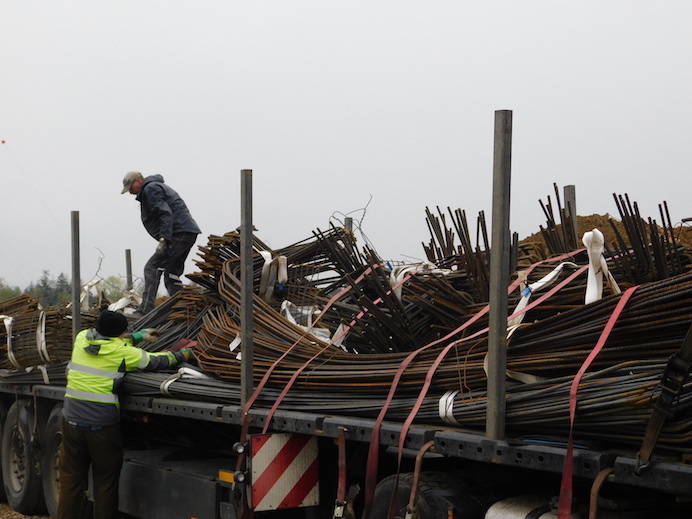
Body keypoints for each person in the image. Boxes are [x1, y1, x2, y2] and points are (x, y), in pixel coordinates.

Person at [58, 310, 194, 519]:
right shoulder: (124, 353)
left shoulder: (82, 337)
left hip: (71, 420)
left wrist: (139, 336)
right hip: (101, 427)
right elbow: (157, 361)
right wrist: (183, 354)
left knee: (71, 479)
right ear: (119, 334)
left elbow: (109, 339)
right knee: (105, 482)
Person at [121, 171, 201, 314]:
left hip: (178, 234)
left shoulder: (150, 189)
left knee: (152, 268)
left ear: (138, 181)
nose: (130, 192)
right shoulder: (154, 187)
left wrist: (164, 239)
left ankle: (145, 310)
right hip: (186, 232)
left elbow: (165, 213)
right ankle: (183, 309)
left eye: (130, 187)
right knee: (172, 273)